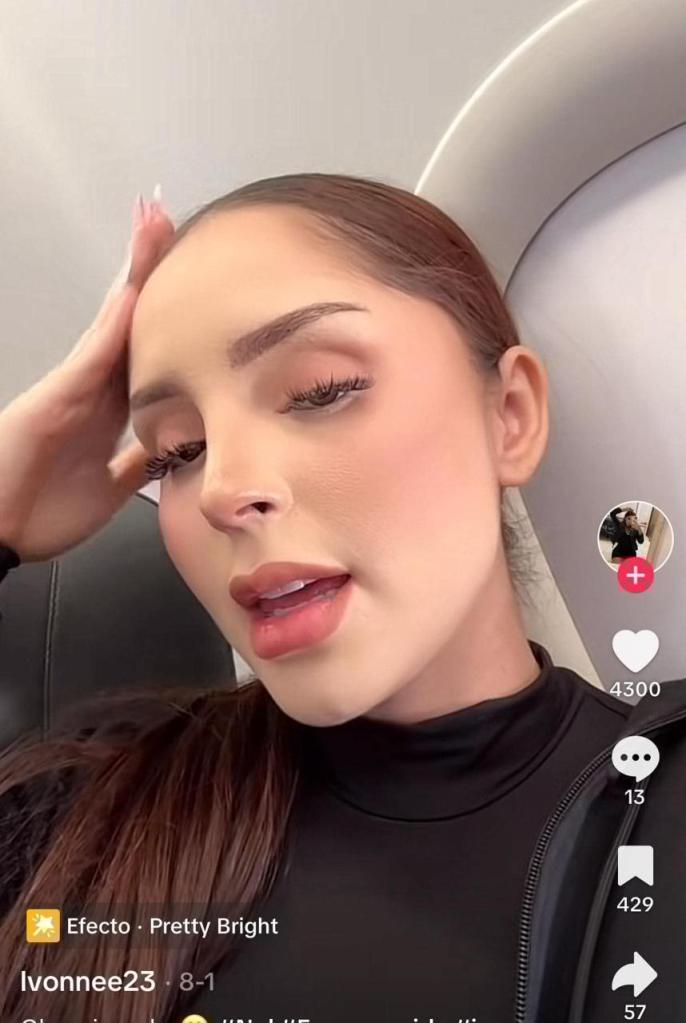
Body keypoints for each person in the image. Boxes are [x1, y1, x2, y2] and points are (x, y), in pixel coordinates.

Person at [0, 174, 684, 1023]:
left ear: (509, 415)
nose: (221, 491)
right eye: (178, 451)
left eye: (319, 390)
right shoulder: (83, 816)